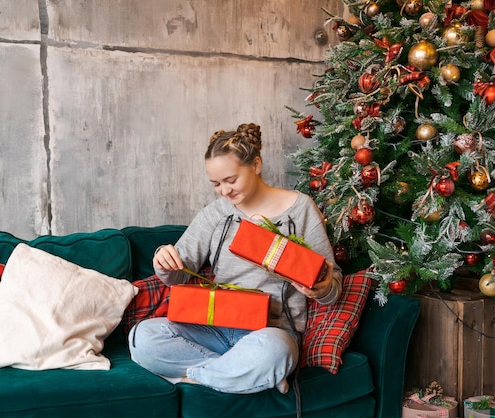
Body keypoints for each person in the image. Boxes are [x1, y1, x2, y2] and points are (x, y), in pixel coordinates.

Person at [129, 123, 342, 395]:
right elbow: (178, 274)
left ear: (256, 164)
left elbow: (332, 283)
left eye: (231, 180)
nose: (224, 191)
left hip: (269, 332)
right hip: (214, 327)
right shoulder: (216, 214)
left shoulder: (300, 209)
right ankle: (244, 374)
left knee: (276, 351)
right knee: (142, 337)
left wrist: (322, 288)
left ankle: (217, 374)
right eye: (216, 184)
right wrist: (163, 260)